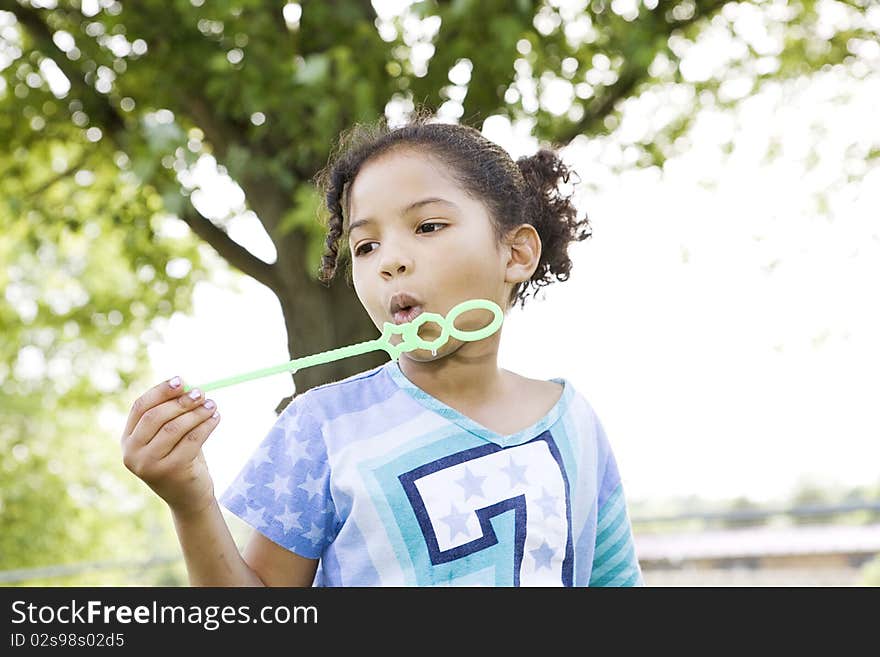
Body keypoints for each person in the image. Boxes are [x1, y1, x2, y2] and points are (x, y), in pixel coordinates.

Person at [121, 107, 644, 586]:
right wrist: (191, 503)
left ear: (516, 253)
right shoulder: (321, 427)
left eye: (428, 226)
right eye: (366, 245)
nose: (389, 260)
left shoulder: (575, 422)